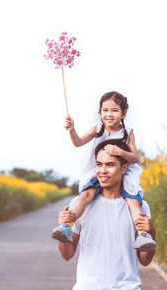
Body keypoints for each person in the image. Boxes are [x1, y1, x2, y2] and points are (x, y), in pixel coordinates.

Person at [52, 91, 155, 251]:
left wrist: (120, 152)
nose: (109, 114)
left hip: (124, 173)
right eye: (105, 110)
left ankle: (143, 234)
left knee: (134, 202)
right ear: (100, 113)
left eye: (115, 110)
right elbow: (78, 142)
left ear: (123, 113)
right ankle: (67, 226)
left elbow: (134, 157)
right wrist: (72, 129)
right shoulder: (98, 129)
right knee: (85, 196)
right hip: (100, 172)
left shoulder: (128, 132)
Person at [57, 139, 156, 290]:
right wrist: (64, 227)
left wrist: (151, 232)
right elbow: (67, 254)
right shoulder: (79, 205)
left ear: (124, 168)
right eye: (99, 164)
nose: (102, 170)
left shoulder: (140, 207)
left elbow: (145, 260)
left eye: (110, 165)